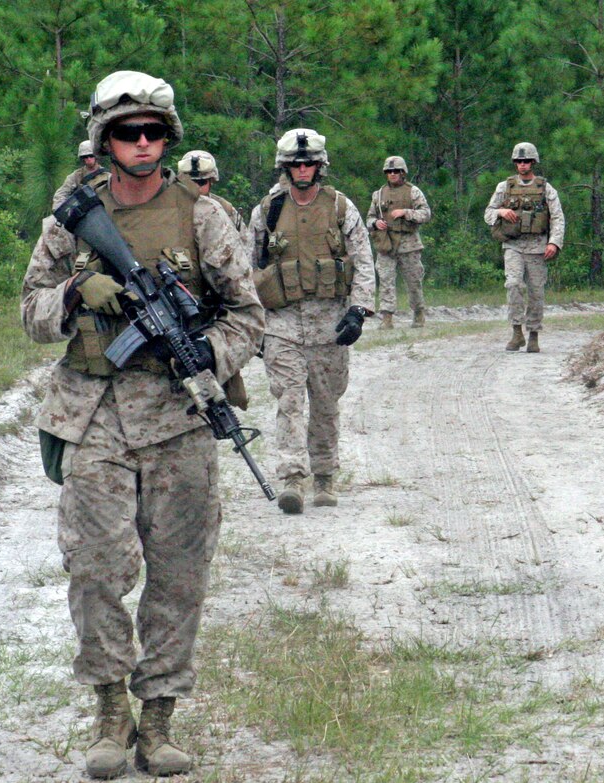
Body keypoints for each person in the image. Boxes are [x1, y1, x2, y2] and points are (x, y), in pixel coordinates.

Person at [21, 70, 264, 780]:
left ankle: (157, 718)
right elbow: (30, 312)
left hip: (178, 416)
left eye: (155, 132)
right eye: (128, 132)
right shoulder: (72, 216)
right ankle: (108, 711)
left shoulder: (204, 217)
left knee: (180, 575)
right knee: (95, 569)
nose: (144, 143)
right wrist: (72, 291)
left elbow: (248, 315)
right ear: (105, 138)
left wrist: (199, 355)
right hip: (91, 414)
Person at [246, 128, 376, 513]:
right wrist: (253, 327)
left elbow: (363, 260)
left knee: (325, 403)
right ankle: (291, 477)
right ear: (285, 168)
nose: (302, 170)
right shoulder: (267, 210)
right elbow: (245, 268)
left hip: (330, 324)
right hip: (282, 324)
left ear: (320, 167)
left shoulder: (340, 208)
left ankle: (323, 475)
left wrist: (358, 311)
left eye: (309, 164)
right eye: (295, 165)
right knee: (288, 401)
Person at [484, 142, 564, 353]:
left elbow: (557, 217)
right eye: (519, 161)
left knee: (536, 291)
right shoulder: (505, 187)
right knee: (513, 285)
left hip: (538, 246)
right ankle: (517, 331)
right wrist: (500, 212)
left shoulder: (545, 188)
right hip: (513, 245)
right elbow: (488, 213)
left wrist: (554, 242)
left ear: (533, 162)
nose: (522, 165)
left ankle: (534, 334)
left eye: (526, 161)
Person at [366, 156, 431, 329]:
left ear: (403, 173)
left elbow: (425, 214)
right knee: (386, 280)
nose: (392, 174)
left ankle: (418, 314)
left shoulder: (413, 192)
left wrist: (406, 213)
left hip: (408, 243)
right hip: (386, 243)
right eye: (389, 171)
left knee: (413, 281)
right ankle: (387, 318)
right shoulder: (378, 194)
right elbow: (369, 217)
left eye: (396, 171)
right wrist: (375, 223)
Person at [178, 149, 244, 233]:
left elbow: (244, 242)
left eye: (201, 182)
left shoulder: (226, 209)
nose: (196, 187)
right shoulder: (168, 208)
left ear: (211, 181)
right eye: (191, 182)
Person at [52, 140, 108, 209]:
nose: (89, 159)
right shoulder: (76, 176)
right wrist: (60, 211)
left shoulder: (107, 176)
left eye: (91, 155)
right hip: (84, 212)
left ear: (96, 156)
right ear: (82, 158)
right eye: (85, 156)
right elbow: (61, 194)